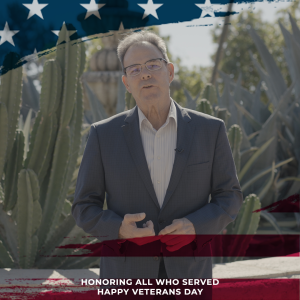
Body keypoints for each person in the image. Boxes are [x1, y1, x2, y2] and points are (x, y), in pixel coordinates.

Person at [72, 30, 243, 290]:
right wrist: (119, 229)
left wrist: (196, 226)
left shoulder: (211, 130)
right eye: (135, 69)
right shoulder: (102, 135)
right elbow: (83, 207)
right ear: (126, 82)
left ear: (170, 71)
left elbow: (229, 197)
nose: (146, 74)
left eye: (153, 64)